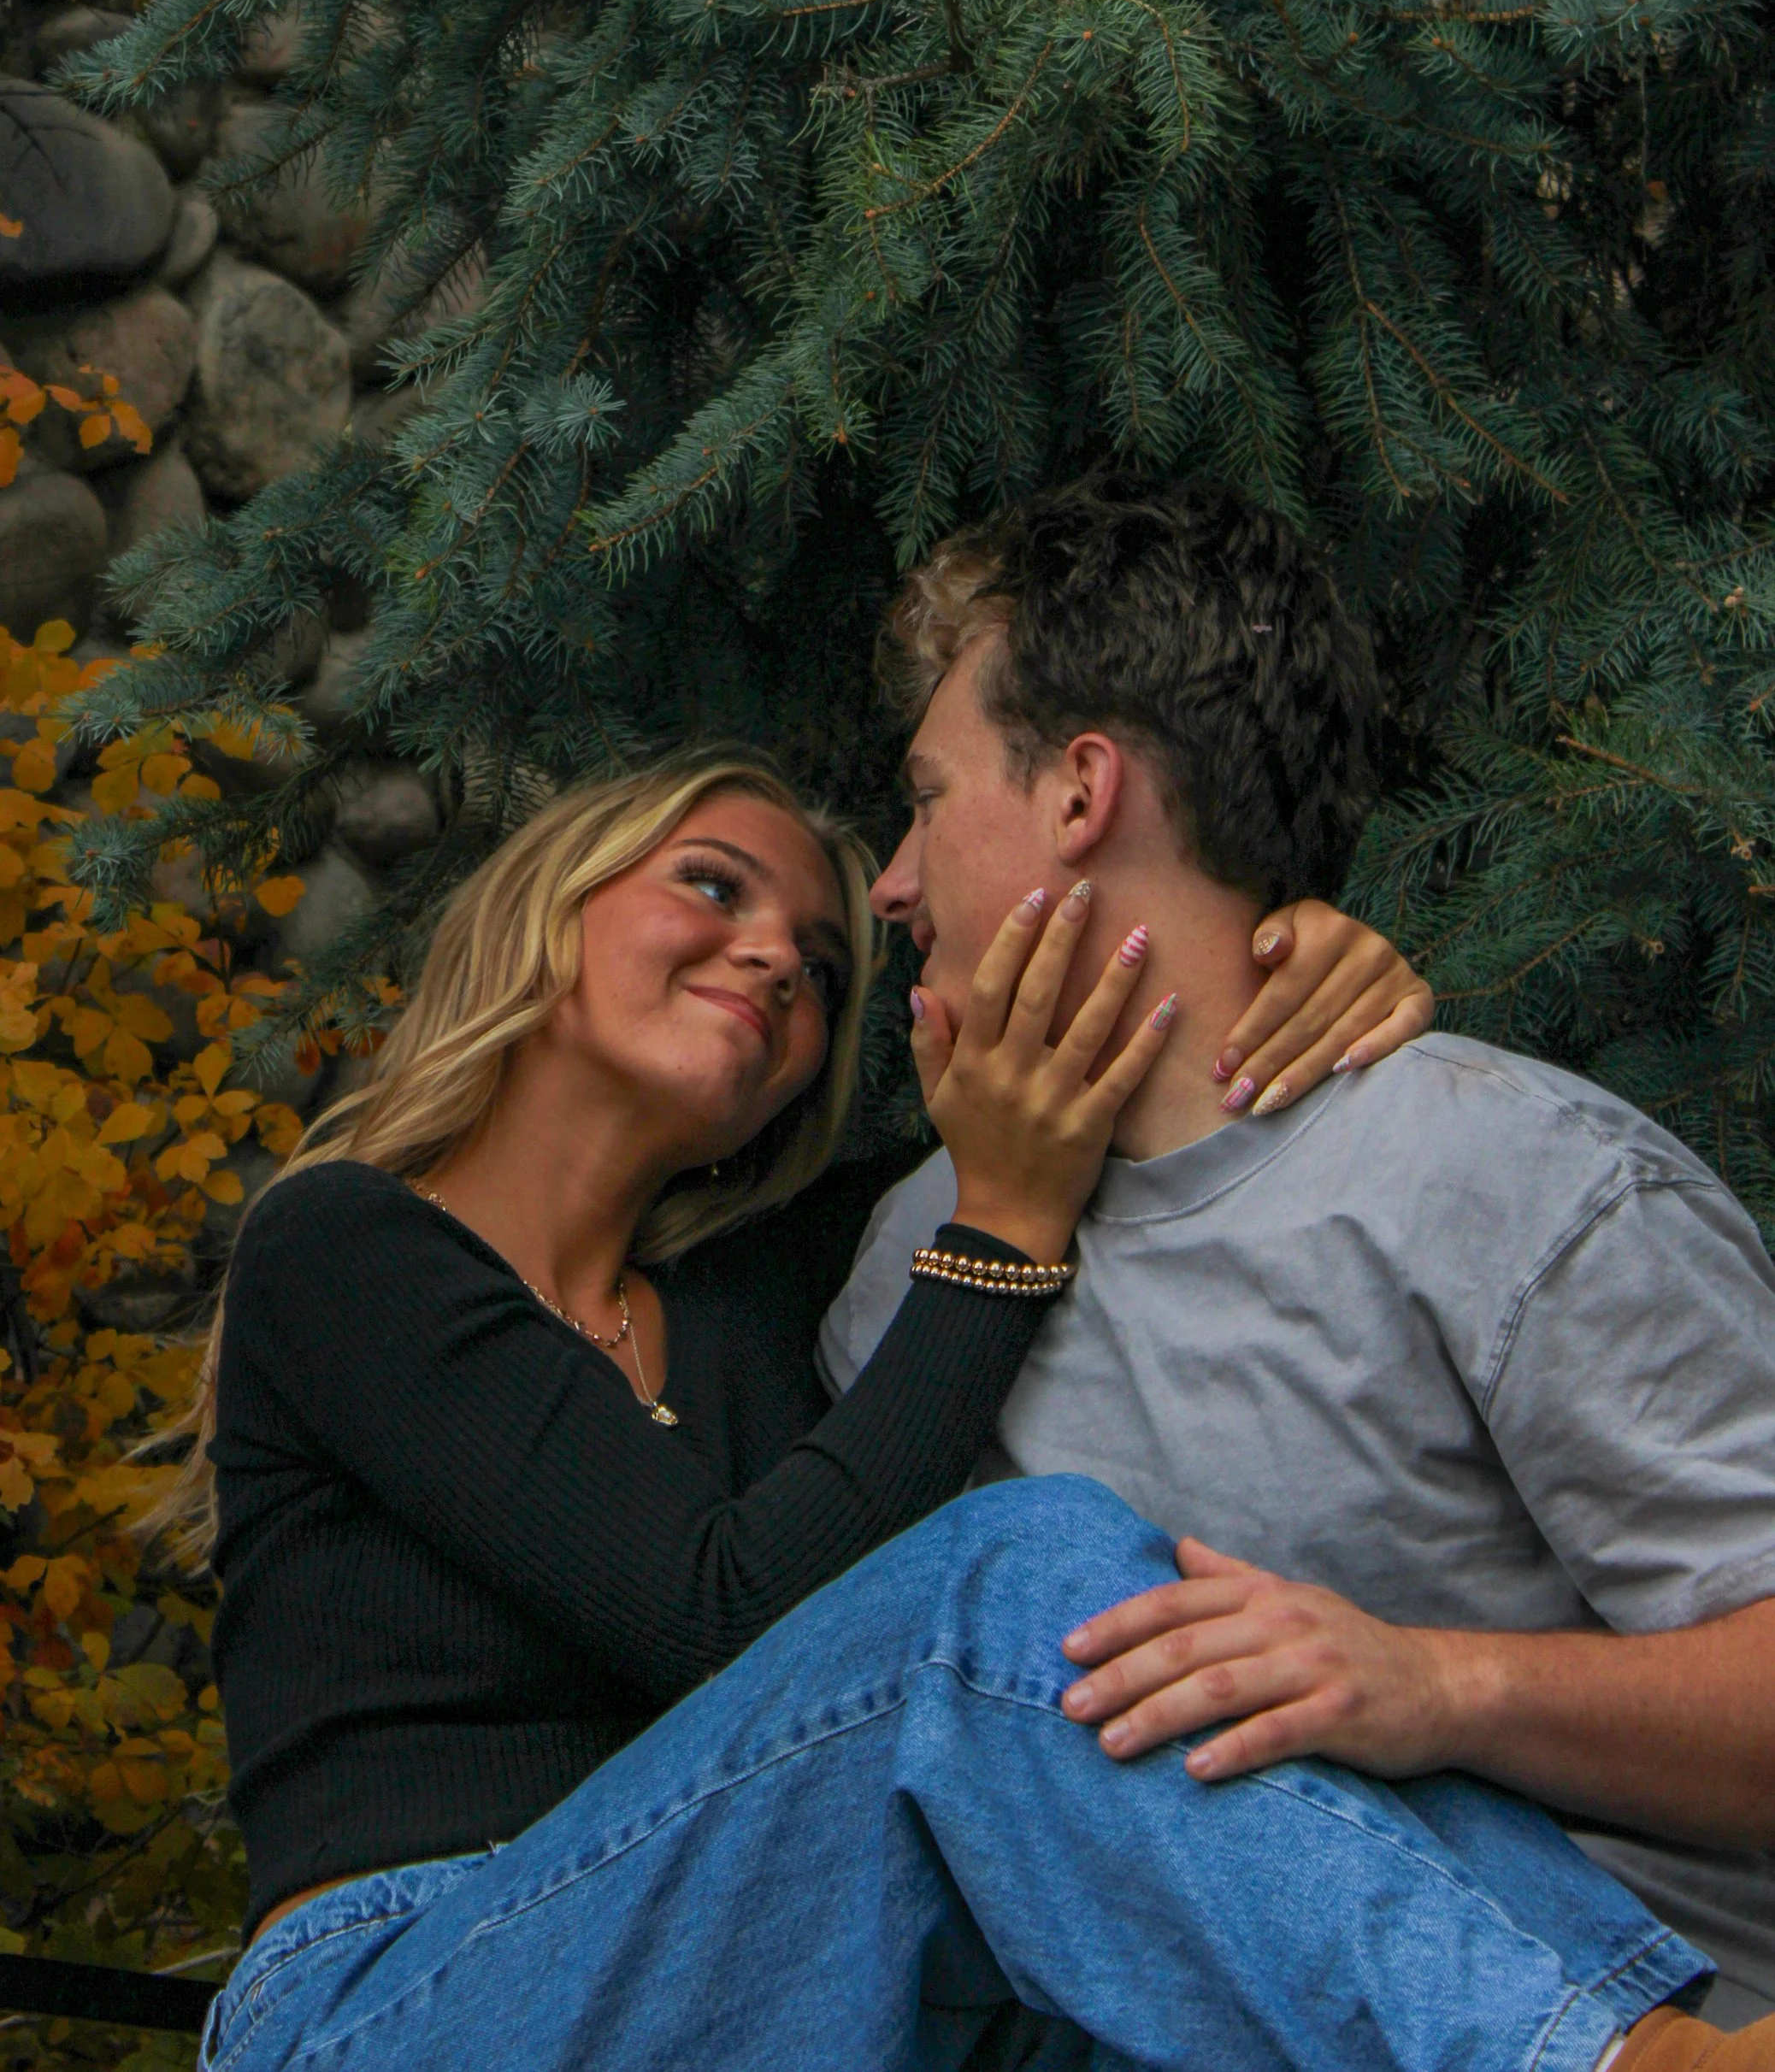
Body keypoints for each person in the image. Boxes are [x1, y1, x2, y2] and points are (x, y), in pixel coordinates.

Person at [168, 748, 1738, 2072]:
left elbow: (1103, 1104)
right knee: (1016, 1591)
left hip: (770, 1964)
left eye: (826, 962)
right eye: (715, 887)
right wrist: (1002, 1231)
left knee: (1278, 1675)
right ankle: (1609, 2054)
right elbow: (725, 1622)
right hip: (399, 1996)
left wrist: (1293, 962)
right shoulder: (349, 1244)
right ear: (546, 907)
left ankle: (1646, 2025)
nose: (781, 955)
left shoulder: (784, 1283)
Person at [823, 481, 1775, 2055]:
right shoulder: (916, 1275)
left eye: (926, 802)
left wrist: (1438, 1688)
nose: (891, 885)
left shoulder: (1492, 1174)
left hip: (1657, 1989)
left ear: (1081, 792)